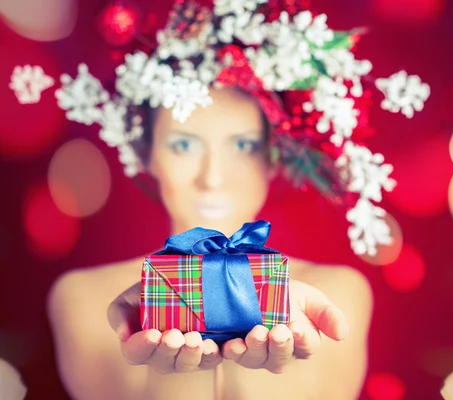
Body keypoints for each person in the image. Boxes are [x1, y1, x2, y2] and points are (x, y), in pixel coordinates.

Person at [10, 1, 429, 398]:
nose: (213, 177)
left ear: (272, 158)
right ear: (145, 154)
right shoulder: (84, 297)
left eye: (243, 146)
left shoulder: (337, 293)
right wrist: (172, 376)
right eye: (185, 146)